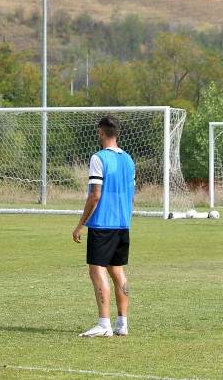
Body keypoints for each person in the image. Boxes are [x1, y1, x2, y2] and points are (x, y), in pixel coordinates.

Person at [72, 114, 134, 338]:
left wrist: (81, 225)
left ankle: (104, 324)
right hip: (122, 223)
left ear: (101, 133)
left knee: (97, 270)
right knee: (117, 271)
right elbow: (131, 195)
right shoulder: (129, 159)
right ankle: (122, 323)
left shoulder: (98, 158)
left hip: (102, 223)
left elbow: (95, 195)